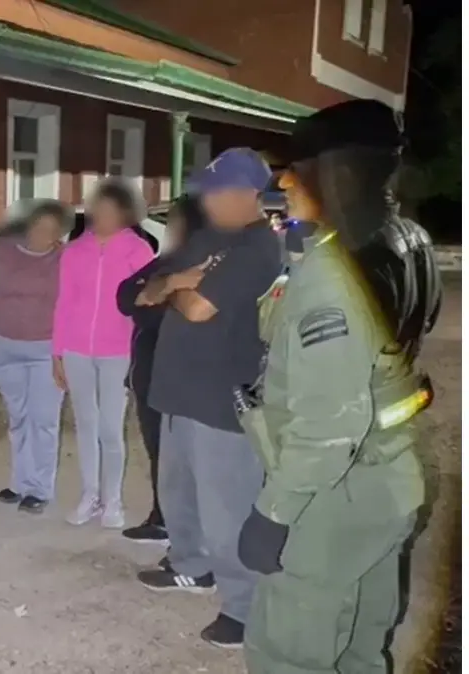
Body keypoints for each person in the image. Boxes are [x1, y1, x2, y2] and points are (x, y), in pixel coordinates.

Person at [238, 99, 441, 673]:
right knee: (358, 647)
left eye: (297, 170)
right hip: (385, 481)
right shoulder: (405, 239)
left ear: (339, 174)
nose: (283, 181)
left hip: (333, 496)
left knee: (290, 653)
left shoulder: (337, 275)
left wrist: (274, 512)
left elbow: (330, 425)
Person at [132, 147, 282, 649]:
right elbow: (145, 289)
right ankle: (190, 567)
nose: (207, 201)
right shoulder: (205, 237)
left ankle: (244, 609)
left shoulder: (259, 248)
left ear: (248, 195)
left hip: (222, 396)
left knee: (229, 509)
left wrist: (175, 290)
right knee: (178, 492)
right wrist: (176, 281)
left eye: (217, 193)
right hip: (176, 389)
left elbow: (196, 309)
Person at [52, 179, 154, 529]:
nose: (101, 216)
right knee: (85, 425)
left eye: (109, 210)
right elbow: (64, 303)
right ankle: (89, 495)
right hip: (78, 349)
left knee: (111, 428)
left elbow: (146, 303)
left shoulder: (138, 251)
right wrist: (58, 353)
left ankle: (113, 500)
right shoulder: (75, 251)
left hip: (118, 351)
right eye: (97, 209)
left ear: (125, 213)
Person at [0, 201, 68, 514]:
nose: (43, 235)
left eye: (52, 231)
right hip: (4, 344)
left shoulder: (66, 258)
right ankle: (20, 483)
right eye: (39, 226)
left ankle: (40, 488)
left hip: (46, 350)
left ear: (59, 234)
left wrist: (62, 354)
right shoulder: (0, 250)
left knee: (44, 421)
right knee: (19, 418)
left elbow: (72, 308)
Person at [115, 194, 207, 543]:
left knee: (182, 454)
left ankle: (187, 530)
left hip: (178, 375)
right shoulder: (166, 262)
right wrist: (161, 292)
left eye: (175, 221)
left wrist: (156, 296)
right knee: (157, 449)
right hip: (147, 372)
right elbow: (125, 297)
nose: (170, 228)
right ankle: (161, 516)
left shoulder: (203, 264)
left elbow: (161, 313)